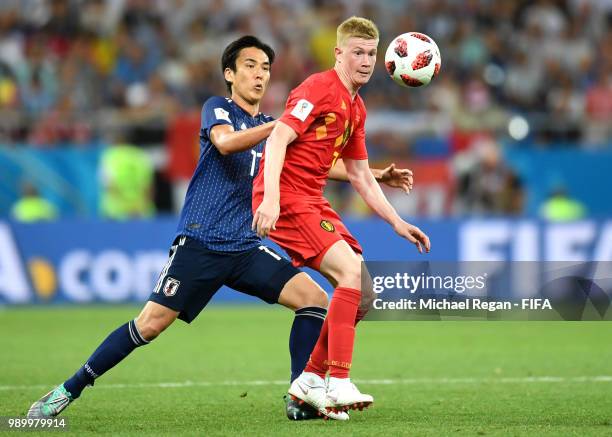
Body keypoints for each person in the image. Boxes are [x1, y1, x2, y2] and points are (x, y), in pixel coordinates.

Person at [27, 35, 414, 422]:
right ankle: (68, 389)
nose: (259, 75)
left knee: (313, 299)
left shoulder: (270, 127)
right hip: (202, 239)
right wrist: (281, 127)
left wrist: (377, 174)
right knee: (150, 324)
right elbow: (226, 144)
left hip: (245, 246)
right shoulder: (220, 109)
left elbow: (316, 164)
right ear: (230, 74)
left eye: (265, 68)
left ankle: (302, 395)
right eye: (250, 66)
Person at [252, 17, 430, 415]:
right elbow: (279, 136)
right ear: (338, 53)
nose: (365, 61)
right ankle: (338, 380)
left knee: (363, 292)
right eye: (357, 53)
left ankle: (309, 380)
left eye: (371, 53)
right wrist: (271, 199)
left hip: (311, 199)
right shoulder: (318, 87)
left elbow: (360, 175)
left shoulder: (357, 106)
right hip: (288, 198)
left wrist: (398, 223)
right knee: (349, 273)